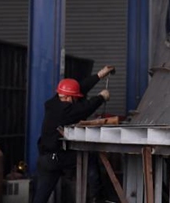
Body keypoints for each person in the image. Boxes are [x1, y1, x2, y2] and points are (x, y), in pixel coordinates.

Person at [33, 65, 115, 203]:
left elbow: (80, 88)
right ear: (69, 98)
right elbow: (86, 108)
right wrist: (101, 97)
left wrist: (100, 75)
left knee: (42, 195)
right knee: (90, 157)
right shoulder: (66, 111)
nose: (76, 100)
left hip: (45, 158)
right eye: (75, 98)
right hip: (57, 158)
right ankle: (98, 197)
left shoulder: (53, 102)